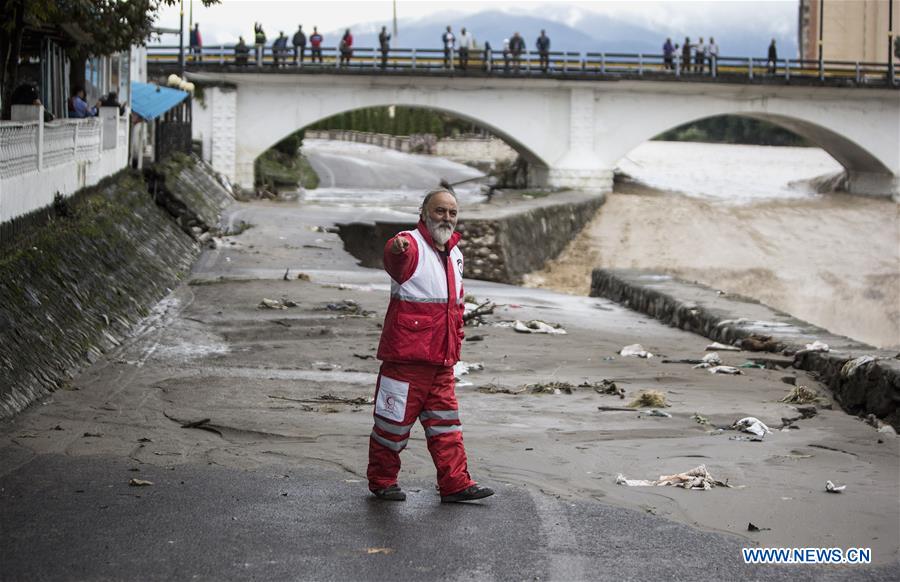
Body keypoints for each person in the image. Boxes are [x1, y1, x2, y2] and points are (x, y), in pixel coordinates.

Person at [367, 187, 495, 504]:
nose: (446, 218)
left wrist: (456, 346)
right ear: (424, 213)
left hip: (441, 362)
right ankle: (382, 481)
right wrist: (395, 250)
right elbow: (396, 257)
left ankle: (455, 484)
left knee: (447, 428)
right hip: (406, 360)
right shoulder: (409, 244)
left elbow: (456, 307)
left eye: (452, 212)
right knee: (391, 427)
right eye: (440, 211)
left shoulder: (455, 254)